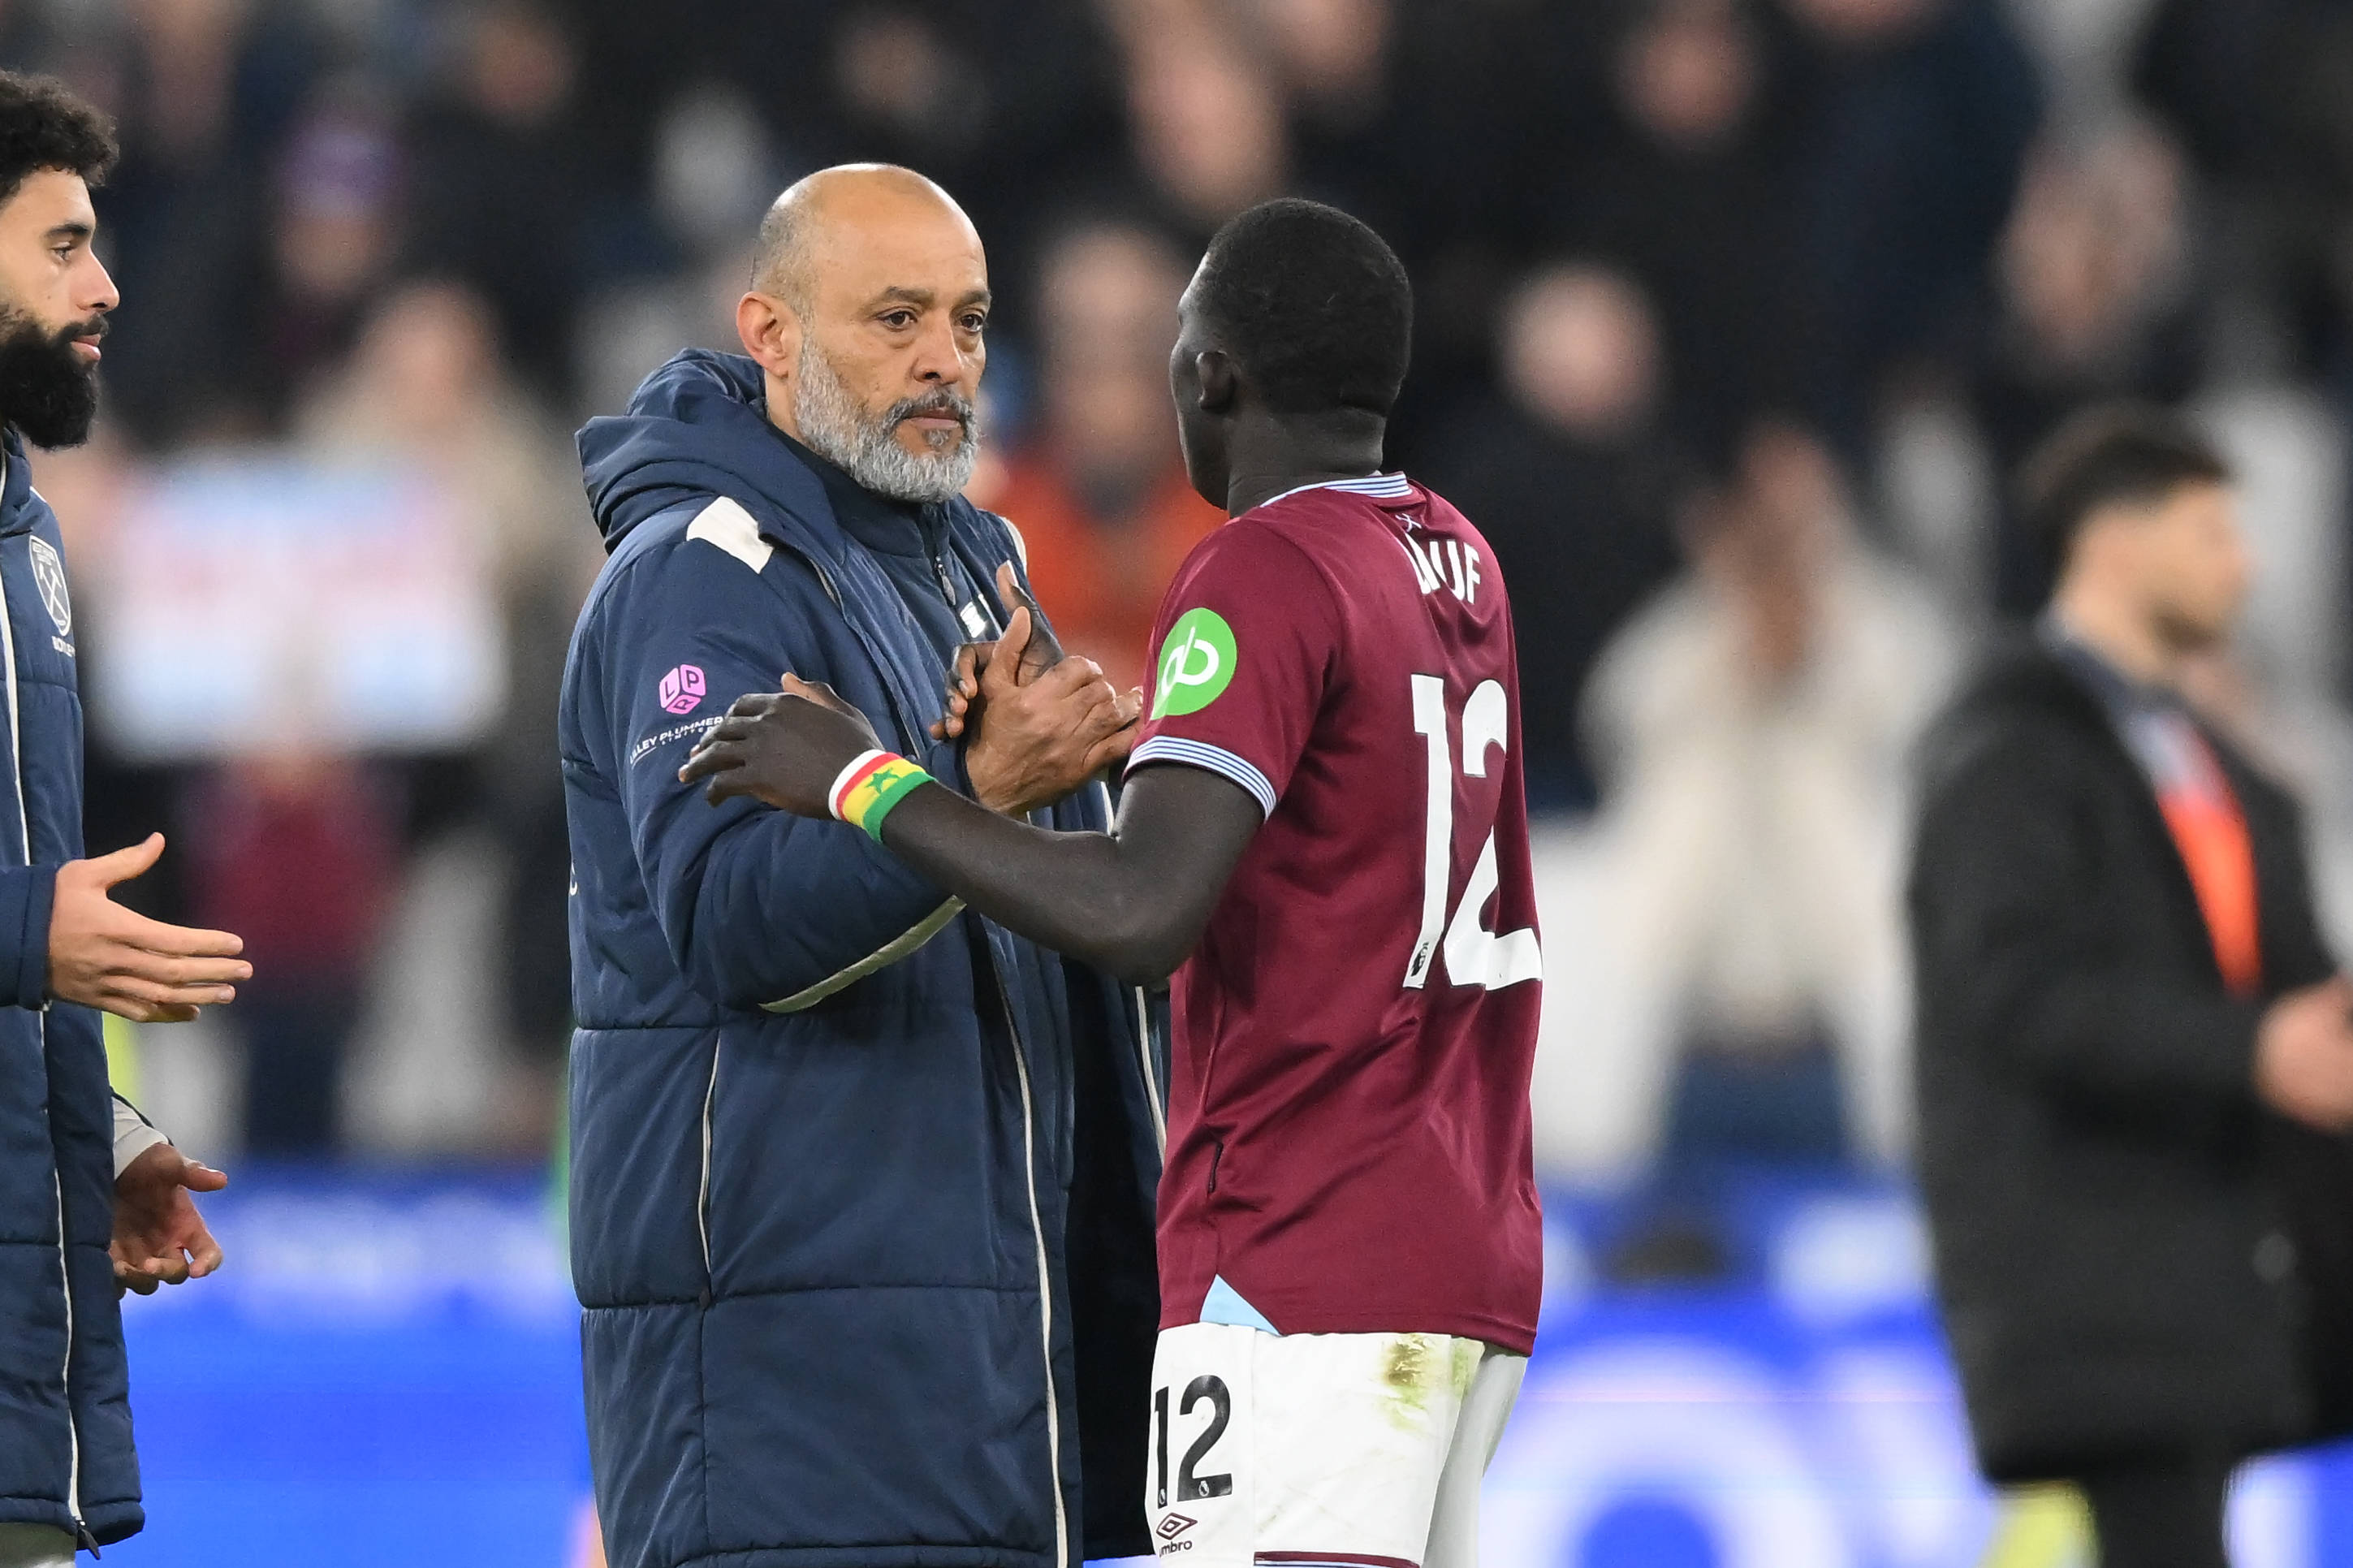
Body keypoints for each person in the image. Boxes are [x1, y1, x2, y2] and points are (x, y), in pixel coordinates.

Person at [681, 197, 1543, 1568]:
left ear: (1208, 374)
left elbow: (1143, 913)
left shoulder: (1260, 566)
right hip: (1466, 1249)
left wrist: (867, 783)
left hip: (1302, 1259)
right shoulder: (1455, 557)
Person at [559, 164, 1164, 1568]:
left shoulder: (970, 561)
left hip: (977, 1369)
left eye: (967, 319)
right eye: (895, 319)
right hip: (791, 1404)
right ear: (768, 333)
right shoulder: (697, 578)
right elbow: (731, 919)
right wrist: (971, 792)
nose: (945, 359)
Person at [1908, 405, 2353, 1566]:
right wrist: (2248, 1050)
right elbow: (2012, 990)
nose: (2242, 563)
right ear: (2111, 541)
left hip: (2211, 1263)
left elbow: (2280, 975)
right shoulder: (2006, 754)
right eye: (2210, 531)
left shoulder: (2211, 762)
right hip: (2095, 1266)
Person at [0, 71, 253, 1568]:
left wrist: (87, 1137)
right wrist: (28, 928)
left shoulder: (19, 522)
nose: (105, 281)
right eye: (59, 244)